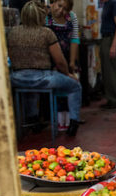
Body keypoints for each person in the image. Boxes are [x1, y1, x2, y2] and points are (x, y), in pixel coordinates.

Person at [8, 1, 82, 136]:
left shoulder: (13, 32)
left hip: (17, 79)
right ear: (41, 16)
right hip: (42, 79)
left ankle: (33, 120)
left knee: (30, 90)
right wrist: (68, 74)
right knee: (75, 86)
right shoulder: (46, 33)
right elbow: (60, 62)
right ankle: (73, 123)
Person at [46, 0, 81, 131]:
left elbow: (74, 39)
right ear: (53, 3)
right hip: (51, 60)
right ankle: (59, 121)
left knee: (73, 86)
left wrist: (71, 62)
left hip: (68, 57)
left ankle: (72, 120)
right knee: (57, 90)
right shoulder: (46, 16)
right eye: (59, 6)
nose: (61, 11)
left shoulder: (72, 17)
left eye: (65, 9)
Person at [99, 0, 116, 109]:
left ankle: (114, 99)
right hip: (106, 38)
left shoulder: (115, 3)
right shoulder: (107, 4)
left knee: (111, 71)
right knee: (107, 71)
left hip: (111, 38)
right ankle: (110, 98)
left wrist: (113, 46)